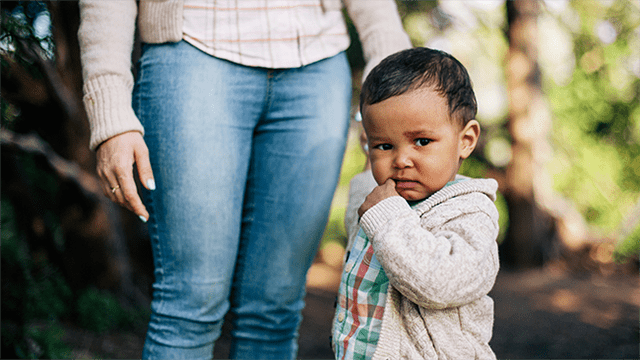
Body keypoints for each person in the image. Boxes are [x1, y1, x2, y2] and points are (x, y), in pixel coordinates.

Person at [77, 1, 411, 359]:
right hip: (192, 49)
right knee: (191, 302)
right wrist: (109, 108)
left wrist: (400, 91)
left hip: (317, 63)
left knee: (275, 311)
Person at [332, 47, 500, 360]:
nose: (401, 160)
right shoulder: (382, 199)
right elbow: (364, 199)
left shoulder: (472, 211)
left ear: (466, 140)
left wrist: (388, 216)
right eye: (384, 145)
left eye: (421, 141)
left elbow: (440, 283)